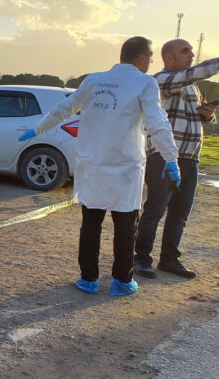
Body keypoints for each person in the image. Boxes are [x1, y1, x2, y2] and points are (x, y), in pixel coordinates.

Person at [19, 36, 180, 296]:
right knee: (126, 225)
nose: (151, 62)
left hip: (93, 164)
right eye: (150, 57)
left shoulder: (94, 80)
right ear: (141, 57)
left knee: (91, 223)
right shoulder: (145, 83)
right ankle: (122, 280)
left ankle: (88, 279)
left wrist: (38, 128)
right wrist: (171, 157)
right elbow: (157, 122)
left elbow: (65, 108)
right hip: (125, 166)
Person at [134, 40, 219, 279]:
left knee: (179, 214)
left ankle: (169, 260)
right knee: (155, 210)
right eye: (185, 51)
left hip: (191, 158)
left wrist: (206, 115)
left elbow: (198, 117)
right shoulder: (160, 81)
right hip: (165, 158)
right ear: (168, 58)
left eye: (192, 51)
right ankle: (141, 259)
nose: (191, 55)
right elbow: (192, 75)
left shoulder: (192, 87)